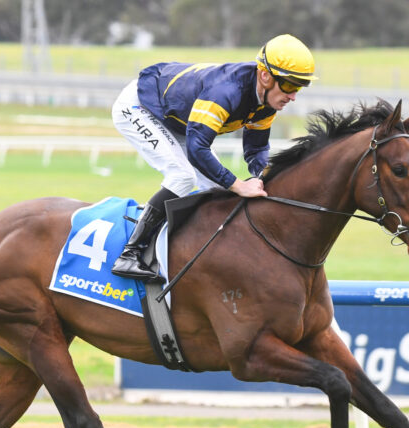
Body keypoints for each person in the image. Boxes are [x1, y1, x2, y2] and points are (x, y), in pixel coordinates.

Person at [110, 34, 317, 283]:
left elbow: (256, 149)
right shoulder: (226, 92)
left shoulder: (267, 102)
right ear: (265, 76)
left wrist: (264, 178)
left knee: (215, 189)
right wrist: (238, 185)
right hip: (140, 106)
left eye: (299, 88)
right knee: (183, 176)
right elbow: (198, 150)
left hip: (178, 119)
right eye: (290, 86)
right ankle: (130, 254)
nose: (293, 96)